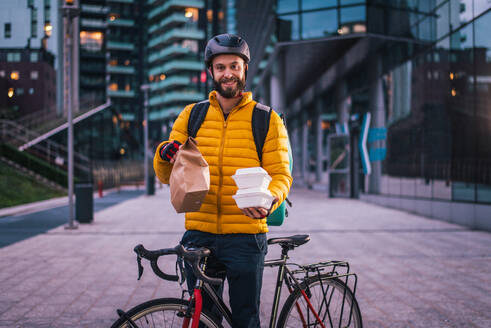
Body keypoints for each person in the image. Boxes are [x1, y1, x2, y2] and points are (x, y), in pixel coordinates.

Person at [153, 33, 292, 328]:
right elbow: (167, 174)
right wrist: (164, 154)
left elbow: (281, 174)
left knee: (245, 318)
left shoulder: (266, 119)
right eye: (220, 67)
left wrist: (270, 200)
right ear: (211, 72)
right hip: (199, 234)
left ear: (244, 70)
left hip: (245, 234)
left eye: (234, 66)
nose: (227, 73)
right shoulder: (192, 115)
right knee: (203, 320)